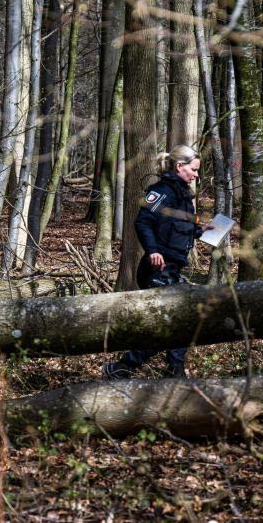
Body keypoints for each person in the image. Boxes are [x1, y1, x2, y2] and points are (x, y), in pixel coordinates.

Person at [102, 145, 209, 379]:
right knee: (173, 325)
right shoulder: (162, 191)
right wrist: (153, 250)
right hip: (156, 269)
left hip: (172, 269)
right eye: (194, 169)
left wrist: (203, 229)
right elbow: (143, 221)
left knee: (181, 322)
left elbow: (184, 228)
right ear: (179, 166)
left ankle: (173, 373)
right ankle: (123, 368)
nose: (196, 175)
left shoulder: (183, 197)